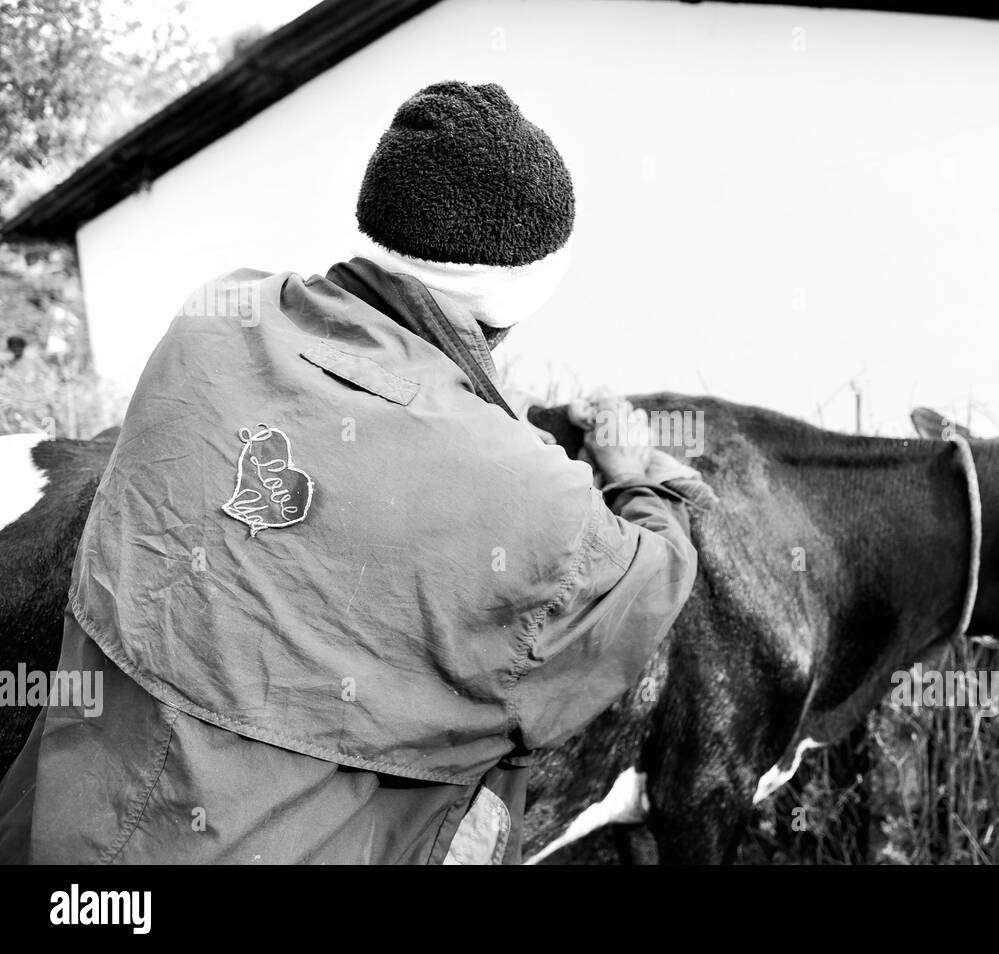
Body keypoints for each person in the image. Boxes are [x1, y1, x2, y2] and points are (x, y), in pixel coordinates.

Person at [0, 81, 705, 865]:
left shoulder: (212, 316)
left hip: (61, 833)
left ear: (380, 225)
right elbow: (647, 584)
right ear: (526, 287)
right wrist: (638, 474)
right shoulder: (535, 492)